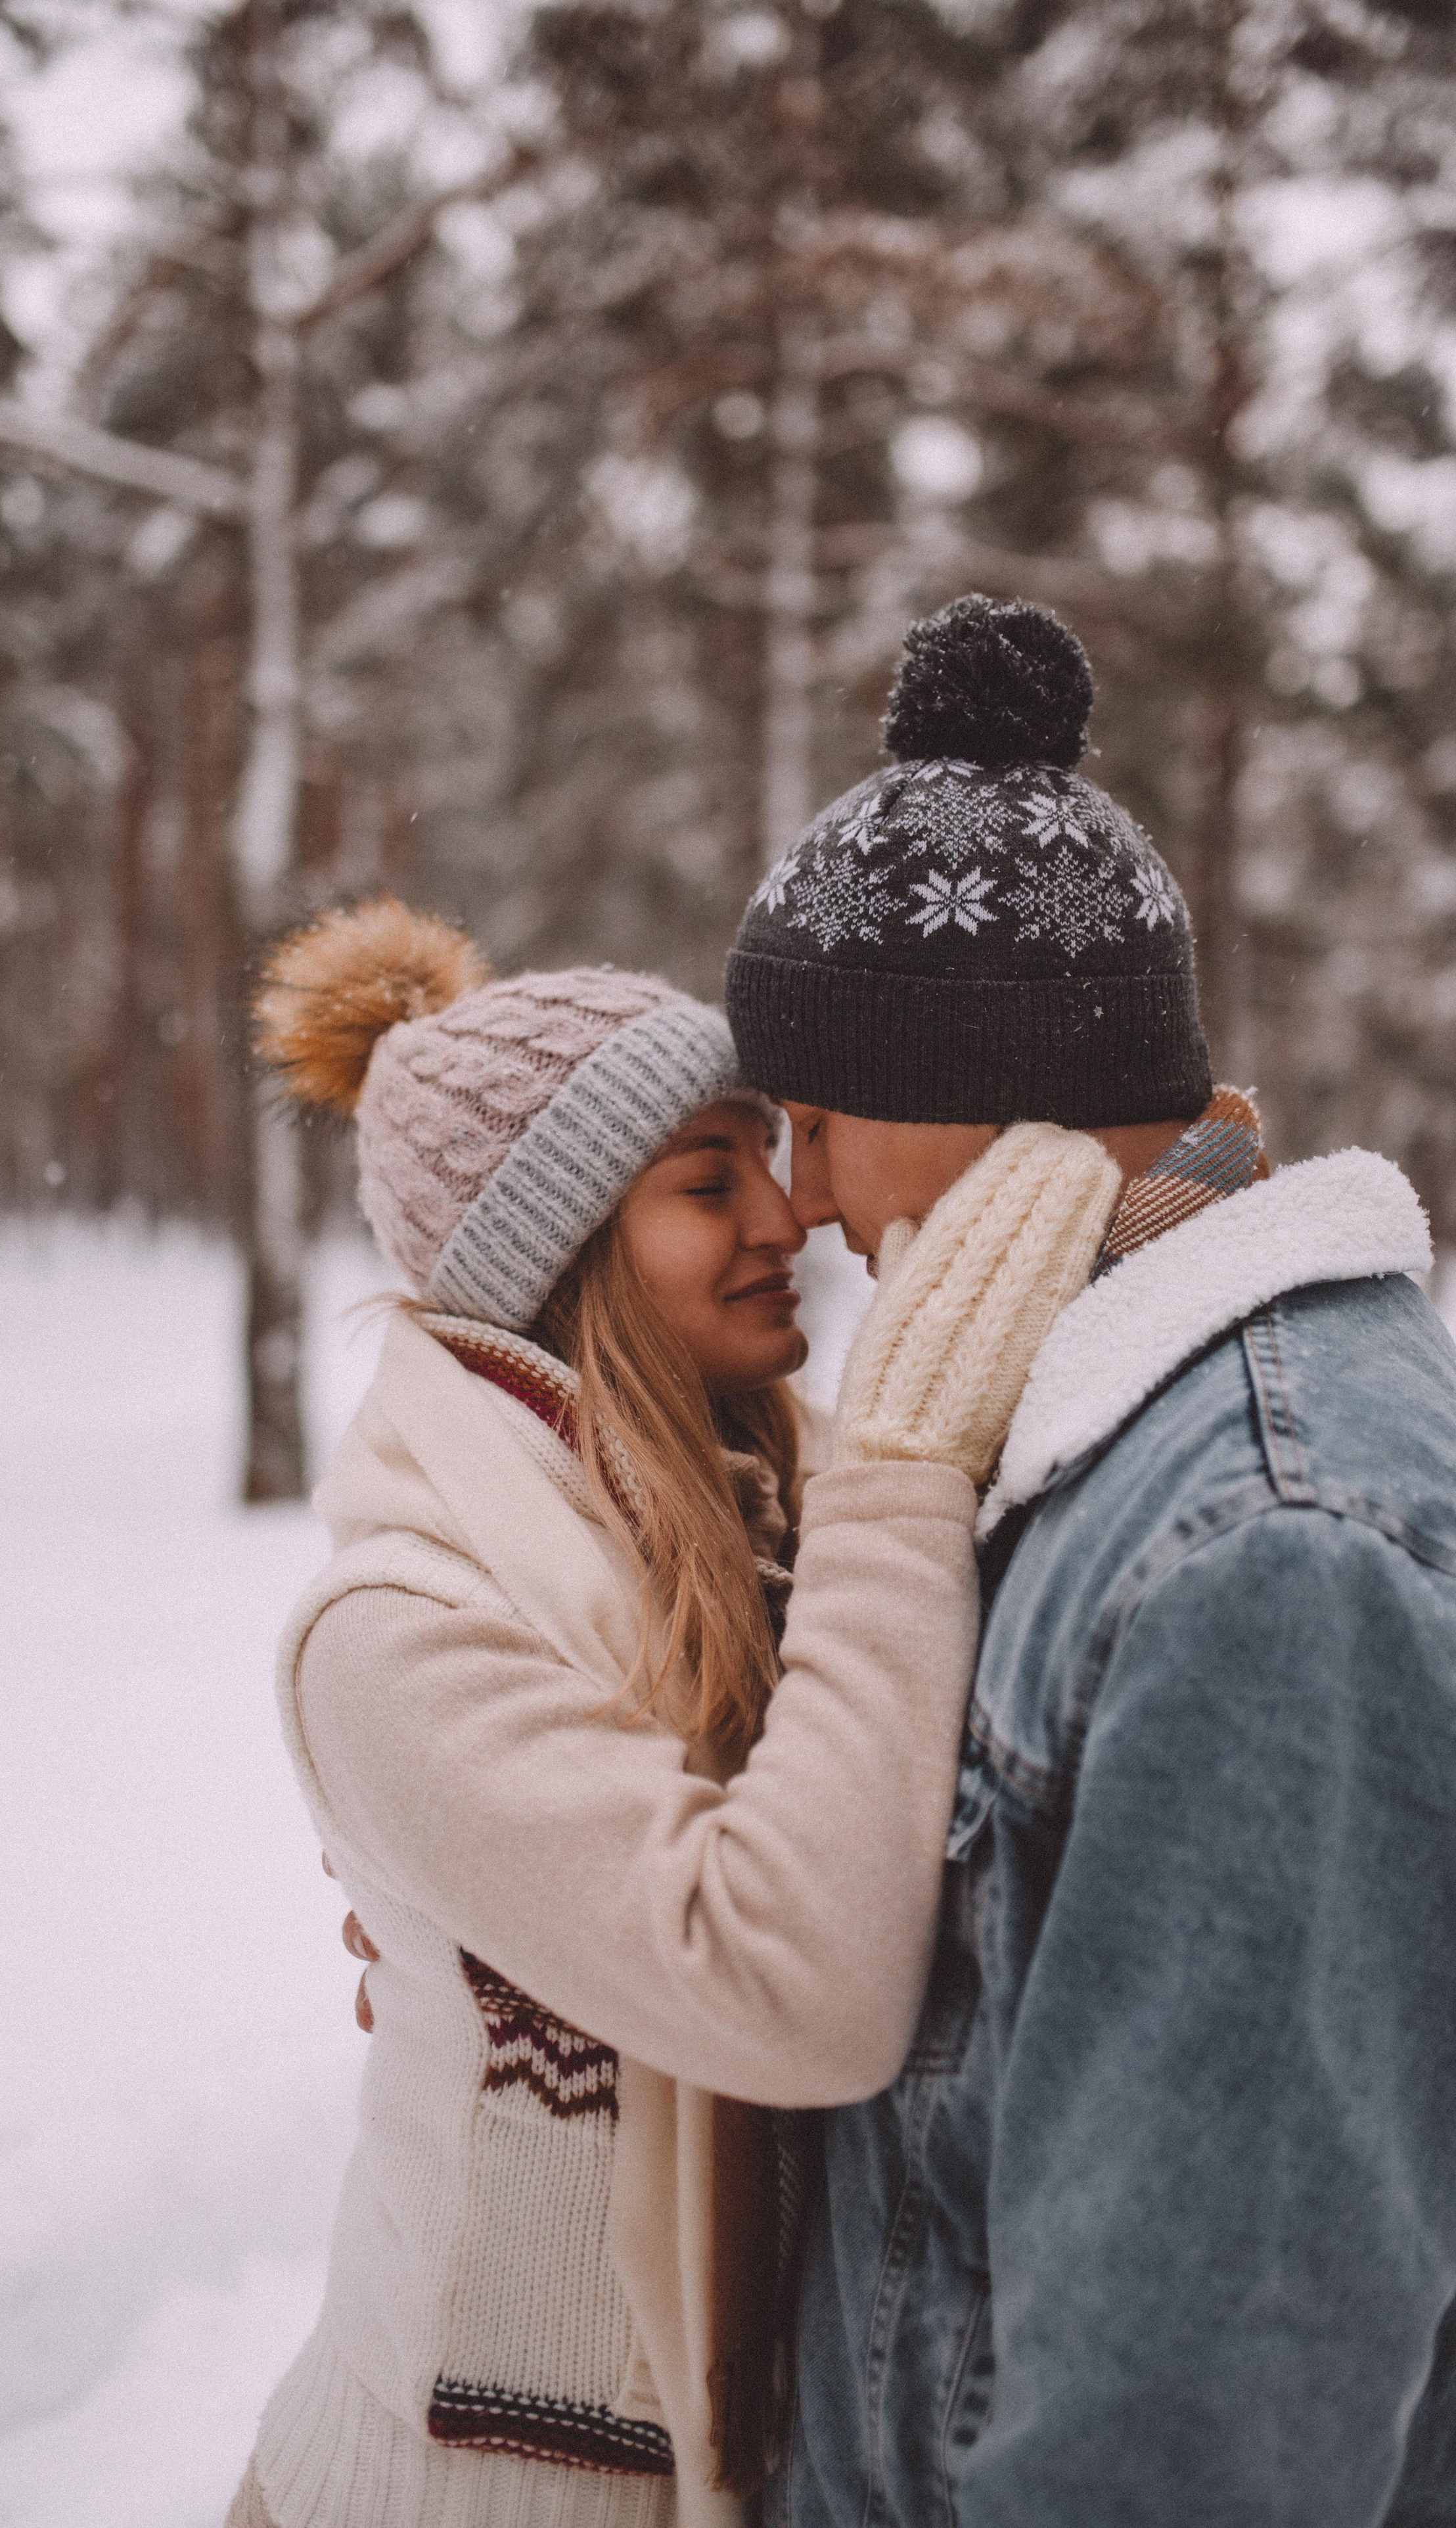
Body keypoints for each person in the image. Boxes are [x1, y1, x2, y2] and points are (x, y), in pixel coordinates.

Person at [223, 896, 1118, 2528]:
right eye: (710, 1182)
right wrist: (905, 1492)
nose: (786, 1214)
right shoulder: (398, 1636)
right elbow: (787, 1984)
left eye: (770, 1158)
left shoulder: (776, 1512)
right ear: (560, 1257)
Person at [724, 591, 1456, 2527]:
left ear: (972, 1103)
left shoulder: (1268, 1565)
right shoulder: (1096, 1437)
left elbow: (1189, 2436)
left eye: (812, 1121)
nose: (796, 1199)